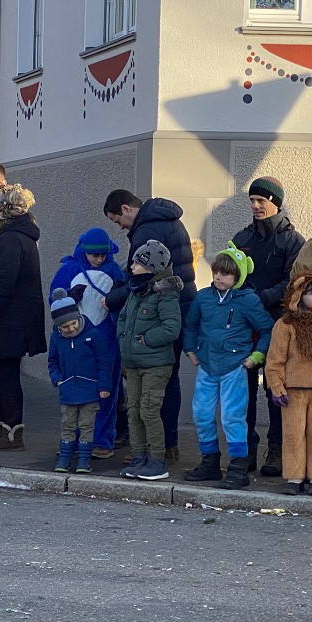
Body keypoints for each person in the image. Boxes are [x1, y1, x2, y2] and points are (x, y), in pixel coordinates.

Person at [103, 190, 196, 461]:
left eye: (118, 220)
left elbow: (139, 279)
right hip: (181, 304)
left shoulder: (146, 231)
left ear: (126, 208)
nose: (120, 227)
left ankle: (152, 449)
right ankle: (170, 444)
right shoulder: (170, 220)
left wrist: (111, 299)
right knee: (171, 380)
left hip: (154, 313)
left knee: (149, 390)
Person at [181, 243, 274, 489]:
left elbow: (267, 329)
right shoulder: (203, 297)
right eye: (217, 272)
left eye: (226, 273)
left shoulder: (248, 300)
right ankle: (210, 463)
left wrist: (256, 357)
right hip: (207, 366)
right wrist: (190, 349)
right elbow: (190, 325)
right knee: (201, 414)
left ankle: (238, 468)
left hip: (234, 368)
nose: (219, 277)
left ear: (239, 276)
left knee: (233, 417)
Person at [230, 176, 305, 477]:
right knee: (243, 390)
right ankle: (245, 450)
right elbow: (231, 272)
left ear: (276, 202)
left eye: (261, 200)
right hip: (245, 326)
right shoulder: (242, 237)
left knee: (276, 389)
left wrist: (259, 299)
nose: (255, 206)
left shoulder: (292, 240)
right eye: (252, 200)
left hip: (277, 322)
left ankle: (276, 449)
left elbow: (293, 281)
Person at [0, 185, 46, 450]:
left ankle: (12, 433)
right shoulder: (16, 237)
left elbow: (2, 286)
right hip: (11, 322)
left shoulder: (11, 240)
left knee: (7, 379)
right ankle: (3, 429)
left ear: (3, 211)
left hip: (7, 323)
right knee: (4, 378)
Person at [48, 227, 126, 458]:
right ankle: (71, 440)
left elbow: (122, 302)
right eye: (94, 255)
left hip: (105, 340)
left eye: (102, 255)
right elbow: (55, 298)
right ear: (84, 252)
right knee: (74, 393)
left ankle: (101, 440)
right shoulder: (70, 268)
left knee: (105, 390)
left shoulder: (113, 270)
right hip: (74, 341)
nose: (98, 259)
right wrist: (70, 296)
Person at [116, 240, 184, 481]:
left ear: (152, 267)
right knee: (133, 410)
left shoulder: (165, 294)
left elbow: (171, 328)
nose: (132, 266)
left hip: (156, 364)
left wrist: (144, 340)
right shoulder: (137, 291)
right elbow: (123, 318)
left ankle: (157, 459)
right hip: (133, 364)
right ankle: (139, 456)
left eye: (137, 262)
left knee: (148, 410)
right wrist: (125, 340)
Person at [264, 272, 312, 496]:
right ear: (298, 295)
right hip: (294, 390)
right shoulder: (286, 325)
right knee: (294, 434)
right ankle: (294, 476)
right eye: (311, 293)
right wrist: (276, 386)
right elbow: (275, 360)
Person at [47, 289, 113, 474]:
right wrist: (57, 379)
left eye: (73, 324)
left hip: (90, 390)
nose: (71, 329)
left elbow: (104, 361)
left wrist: (104, 386)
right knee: (67, 425)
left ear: (78, 318)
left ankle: (84, 460)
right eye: (65, 327)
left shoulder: (93, 334)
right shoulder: (57, 339)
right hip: (67, 390)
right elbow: (52, 361)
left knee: (86, 426)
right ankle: (64, 459)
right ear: (58, 327)